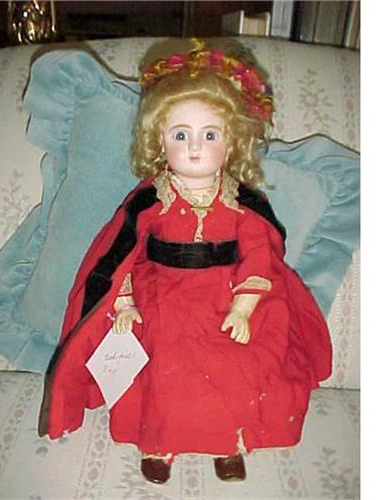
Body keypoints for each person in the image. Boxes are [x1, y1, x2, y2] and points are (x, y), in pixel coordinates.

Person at [38, 39, 332, 484]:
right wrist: (124, 303)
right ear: (160, 140)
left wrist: (244, 307)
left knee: (238, 363)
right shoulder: (150, 200)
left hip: (228, 296)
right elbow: (121, 256)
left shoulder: (243, 206)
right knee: (166, 359)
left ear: (231, 142)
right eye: (181, 135)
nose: (195, 147)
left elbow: (260, 256)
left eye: (209, 135)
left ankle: (227, 441)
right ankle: (159, 442)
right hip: (163, 294)